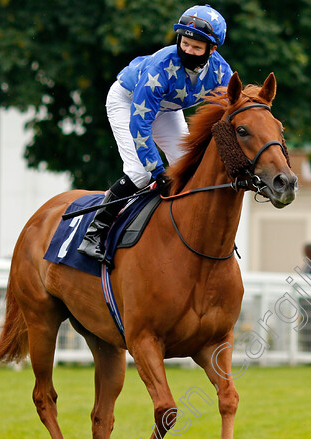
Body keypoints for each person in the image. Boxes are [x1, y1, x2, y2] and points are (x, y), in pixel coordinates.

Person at [78, 5, 233, 262]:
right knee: (140, 172)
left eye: (196, 47)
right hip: (128, 102)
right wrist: (156, 170)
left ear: (212, 49)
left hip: (166, 108)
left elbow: (228, 116)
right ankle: (95, 231)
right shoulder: (160, 66)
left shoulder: (221, 72)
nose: (188, 50)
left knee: (189, 168)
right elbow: (140, 125)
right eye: (185, 43)